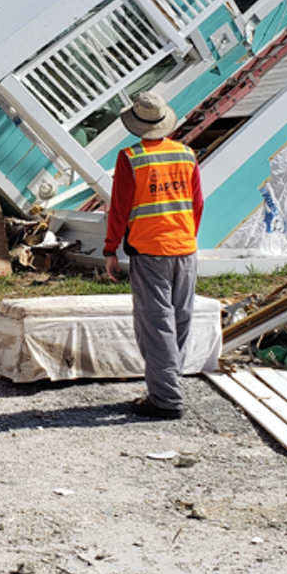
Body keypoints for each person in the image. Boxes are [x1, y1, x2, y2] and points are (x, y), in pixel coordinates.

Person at [102, 90, 204, 420]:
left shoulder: (131, 158)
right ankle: (168, 386)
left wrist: (110, 249)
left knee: (156, 324)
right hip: (185, 249)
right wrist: (185, 237)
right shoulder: (187, 155)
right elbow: (197, 205)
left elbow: (119, 209)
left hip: (150, 251)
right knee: (180, 320)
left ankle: (166, 398)